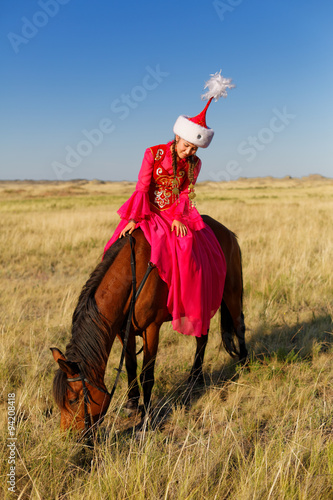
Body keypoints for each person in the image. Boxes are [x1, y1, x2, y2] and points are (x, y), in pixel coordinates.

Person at [103, 71, 235, 337]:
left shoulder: (195, 164)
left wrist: (178, 217)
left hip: (175, 215)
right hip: (148, 213)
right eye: (187, 146)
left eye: (195, 149)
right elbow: (142, 187)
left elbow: (187, 193)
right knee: (113, 250)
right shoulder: (153, 153)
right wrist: (133, 219)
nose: (190, 152)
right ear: (177, 138)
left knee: (188, 248)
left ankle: (178, 303)